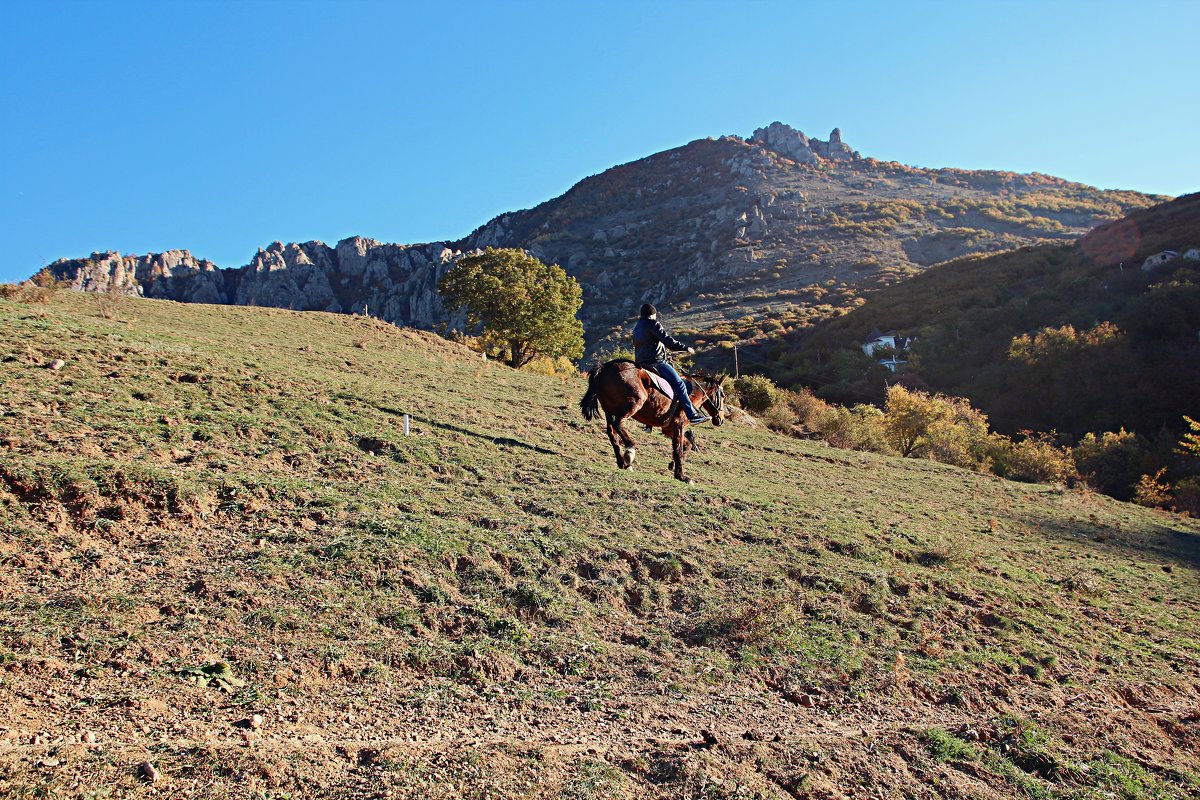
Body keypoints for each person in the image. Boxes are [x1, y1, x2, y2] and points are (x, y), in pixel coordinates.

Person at [632, 303, 709, 424]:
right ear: (653, 314)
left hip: (641, 364)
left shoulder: (636, 328)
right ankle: (692, 415)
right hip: (656, 363)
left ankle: (649, 425)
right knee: (680, 384)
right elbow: (668, 341)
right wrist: (685, 348)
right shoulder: (653, 323)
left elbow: (645, 346)